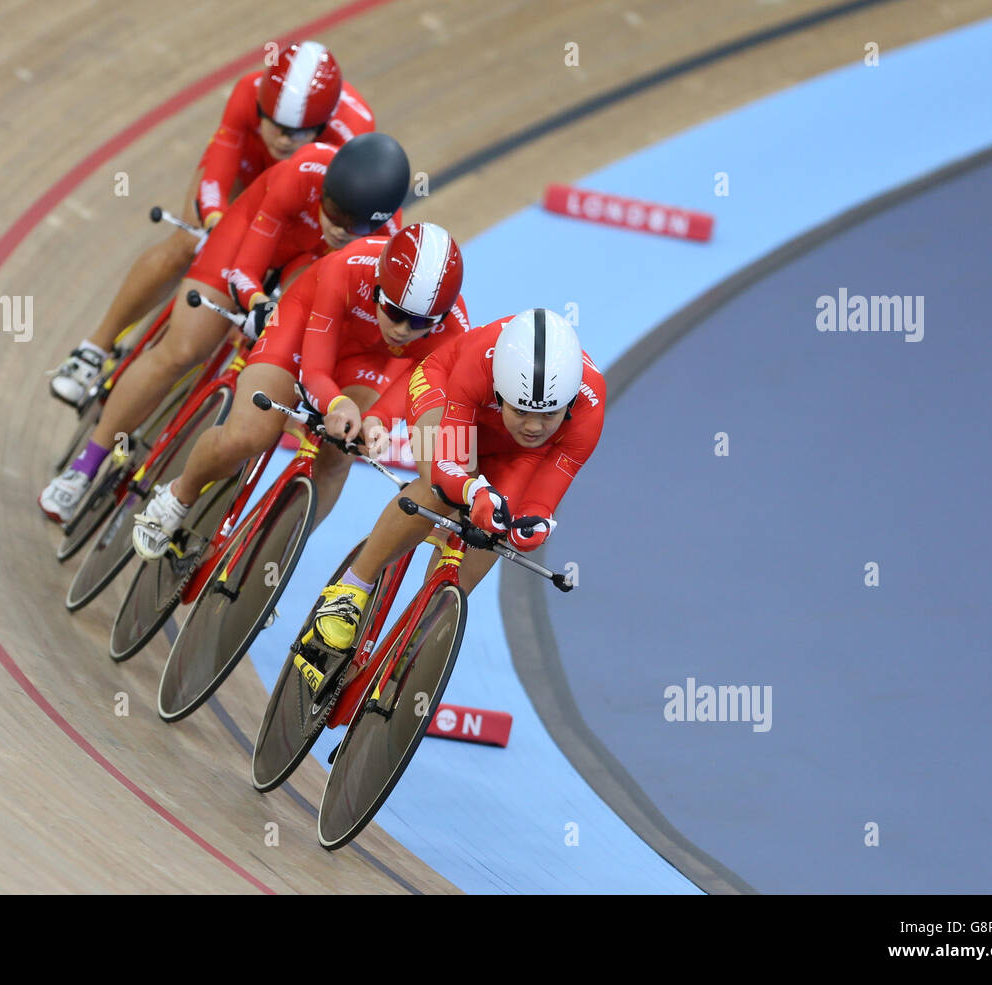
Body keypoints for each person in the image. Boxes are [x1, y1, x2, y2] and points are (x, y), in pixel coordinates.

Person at [39, 132, 411, 523]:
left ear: (380, 222)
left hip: (312, 270)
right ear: (326, 189)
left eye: (354, 226)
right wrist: (256, 303)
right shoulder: (302, 172)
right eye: (333, 210)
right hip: (253, 237)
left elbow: (331, 318)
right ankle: (84, 466)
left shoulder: (386, 247)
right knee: (184, 349)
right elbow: (245, 269)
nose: (338, 228)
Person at [47, 40, 375, 405]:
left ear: (325, 123)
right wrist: (216, 221)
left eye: (300, 131)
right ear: (261, 105)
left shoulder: (354, 137)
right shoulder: (248, 90)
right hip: (251, 170)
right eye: (276, 124)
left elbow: (345, 226)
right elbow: (219, 168)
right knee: (188, 241)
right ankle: (94, 349)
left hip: (304, 200)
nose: (284, 138)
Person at [129, 221, 469, 558]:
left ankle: (272, 560)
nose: (403, 329)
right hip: (305, 324)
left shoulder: (455, 331)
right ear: (379, 289)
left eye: (422, 323)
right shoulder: (346, 268)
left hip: (372, 360)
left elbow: (419, 382)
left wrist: (378, 420)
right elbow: (315, 369)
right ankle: (178, 496)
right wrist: (336, 403)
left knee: (342, 454)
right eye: (394, 312)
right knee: (248, 435)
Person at [308, 308, 606, 650]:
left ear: (568, 404)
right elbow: (447, 465)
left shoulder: (590, 408)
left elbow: (542, 499)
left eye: (548, 414)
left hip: (516, 452)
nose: (534, 426)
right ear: (499, 393)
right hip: (443, 390)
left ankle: (414, 647)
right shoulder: (480, 361)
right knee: (440, 491)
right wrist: (470, 487)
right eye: (521, 410)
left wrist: (530, 526)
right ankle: (351, 589)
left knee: (498, 525)